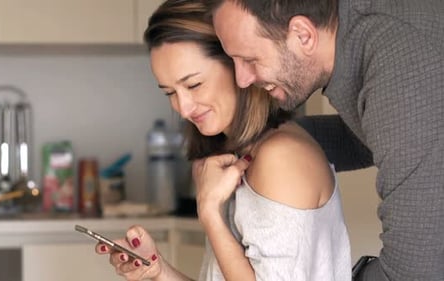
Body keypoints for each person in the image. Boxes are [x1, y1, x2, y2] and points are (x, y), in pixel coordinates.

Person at [95, 0, 351, 280]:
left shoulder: (280, 157)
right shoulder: (244, 153)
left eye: (193, 85)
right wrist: (158, 272)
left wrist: (209, 213)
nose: (183, 107)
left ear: (236, 62)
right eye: (169, 92)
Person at [202, 0, 444, 280]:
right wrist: (264, 145)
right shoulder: (362, 35)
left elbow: (415, 272)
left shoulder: (402, 69)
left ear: (303, 34)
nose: (242, 79)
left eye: (250, 60)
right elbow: (365, 138)